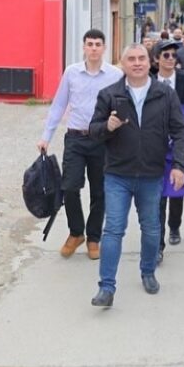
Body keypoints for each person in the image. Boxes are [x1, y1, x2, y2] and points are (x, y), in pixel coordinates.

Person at [88, 44, 184, 305]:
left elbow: (180, 132)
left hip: (151, 174)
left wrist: (179, 165)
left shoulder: (165, 94)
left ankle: (148, 272)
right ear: (122, 64)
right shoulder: (109, 95)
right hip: (117, 175)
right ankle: (106, 287)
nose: (137, 63)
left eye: (141, 58)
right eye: (131, 59)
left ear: (150, 62)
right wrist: (108, 126)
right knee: (113, 230)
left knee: (152, 229)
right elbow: (94, 131)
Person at [36, 29, 122, 261]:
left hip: (103, 139)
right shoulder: (72, 73)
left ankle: (93, 238)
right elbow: (58, 105)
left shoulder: (114, 75)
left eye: (97, 44)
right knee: (70, 187)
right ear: (83, 47)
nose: (93, 48)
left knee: (100, 191)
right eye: (89, 44)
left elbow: (124, 105)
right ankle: (76, 233)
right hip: (75, 138)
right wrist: (46, 136)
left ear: (104, 48)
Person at [154, 39, 184, 262]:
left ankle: (174, 226)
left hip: (179, 144)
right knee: (158, 195)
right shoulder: (148, 81)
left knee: (177, 188)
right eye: (166, 56)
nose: (171, 59)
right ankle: (158, 245)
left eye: (174, 55)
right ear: (157, 59)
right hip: (155, 146)